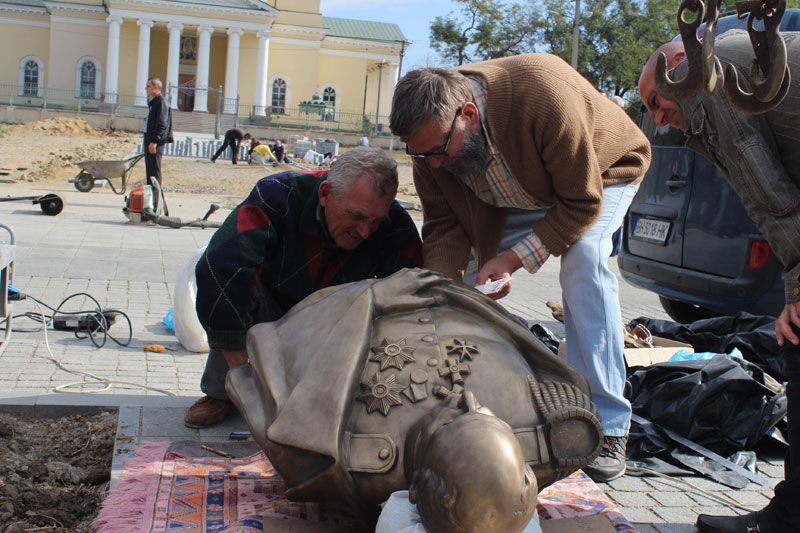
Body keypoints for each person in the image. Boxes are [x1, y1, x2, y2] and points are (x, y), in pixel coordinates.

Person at [389, 56, 651, 482]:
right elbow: (444, 227)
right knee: (465, 287)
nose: (433, 163)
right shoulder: (431, 143)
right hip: (521, 189)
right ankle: (472, 404)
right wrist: (435, 295)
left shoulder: (541, 94)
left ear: (469, 115)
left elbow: (580, 202)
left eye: (438, 151)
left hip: (601, 176)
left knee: (583, 261)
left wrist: (512, 259)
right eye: (422, 155)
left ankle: (609, 424)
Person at [226, 268, 604, 529]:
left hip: (349, 300)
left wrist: (368, 299)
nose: (468, 400)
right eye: (485, 415)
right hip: (454, 292)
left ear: (417, 489)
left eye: (452, 423)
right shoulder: (550, 439)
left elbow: (277, 345)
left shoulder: (326, 456)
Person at [640, 30, 800, 533]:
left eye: (656, 101)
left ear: (684, 63)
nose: (657, 116)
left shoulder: (716, 82)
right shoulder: (726, 65)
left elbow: (771, 196)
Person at [186, 147, 424, 428]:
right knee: (234, 282)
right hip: (271, 311)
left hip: (335, 322)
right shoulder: (278, 195)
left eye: (375, 221)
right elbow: (220, 266)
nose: (365, 232)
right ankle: (222, 394)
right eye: (357, 216)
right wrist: (240, 371)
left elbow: (414, 293)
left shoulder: (394, 225)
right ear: (325, 194)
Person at [143, 77, 173, 210]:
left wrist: (154, 141)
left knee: (154, 174)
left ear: (156, 88)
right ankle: (153, 201)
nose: (146, 89)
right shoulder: (155, 102)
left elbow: (162, 124)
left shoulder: (160, 102)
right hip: (150, 141)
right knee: (150, 173)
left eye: (148, 86)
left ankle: (159, 204)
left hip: (155, 143)